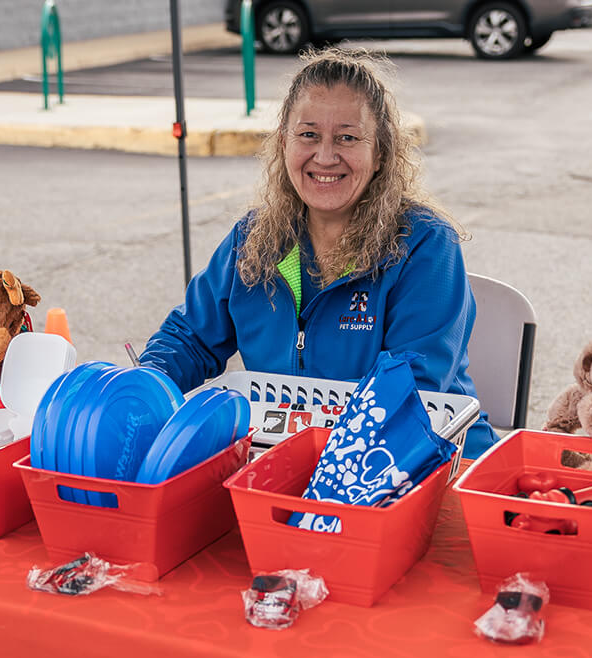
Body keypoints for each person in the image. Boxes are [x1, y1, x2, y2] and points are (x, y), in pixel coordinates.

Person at [139, 47, 499, 458]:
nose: (325, 156)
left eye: (347, 137)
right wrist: (142, 390)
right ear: (283, 143)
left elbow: (412, 389)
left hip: (424, 464)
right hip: (290, 459)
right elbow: (189, 340)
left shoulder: (425, 244)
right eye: (308, 134)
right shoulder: (253, 239)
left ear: (380, 153)